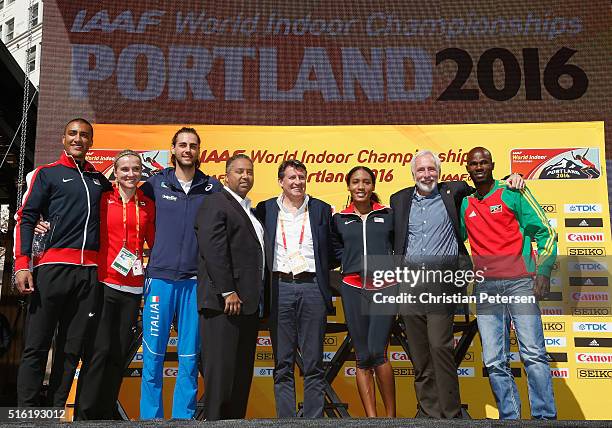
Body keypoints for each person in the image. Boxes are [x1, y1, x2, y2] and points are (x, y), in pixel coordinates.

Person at [390, 150, 524, 418]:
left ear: (439, 173)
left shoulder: (455, 191)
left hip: (442, 283)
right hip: (410, 283)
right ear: (412, 174)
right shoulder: (400, 199)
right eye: (421, 170)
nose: (426, 175)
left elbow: (485, 183)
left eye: (431, 169)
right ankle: (429, 412)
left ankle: (451, 414)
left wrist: (515, 177)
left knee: (440, 346)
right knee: (418, 352)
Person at [13, 118, 112, 407]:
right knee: (36, 345)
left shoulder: (99, 181)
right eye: (72, 134)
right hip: (51, 270)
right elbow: (25, 218)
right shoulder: (48, 174)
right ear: (63, 139)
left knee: (70, 349)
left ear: (91, 143)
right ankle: (26, 415)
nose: (78, 139)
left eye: (84, 135)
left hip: (88, 275)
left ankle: (54, 413)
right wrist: (22, 265)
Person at [460, 147, 557, 420]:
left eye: (483, 162)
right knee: (493, 360)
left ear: (492, 165)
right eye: (473, 163)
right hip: (486, 287)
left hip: (520, 284)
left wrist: (544, 271)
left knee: (534, 354)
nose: (479, 167)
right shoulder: (466, 204)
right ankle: (510, 417)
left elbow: (546, 232)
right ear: (467, 168)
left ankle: (544, 417)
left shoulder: (513, 191)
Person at [139, 127, 222, 419]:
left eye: (193, 145)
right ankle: (150, 419)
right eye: (182, 145)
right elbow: (124, 213)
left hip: (194, 283)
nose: (188, 149)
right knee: (153, 356)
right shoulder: (153, 184)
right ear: (172, 149)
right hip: (159, 280)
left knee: (188, 358)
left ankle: (182, 419)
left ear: (199, 151)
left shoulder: (212, 187)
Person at [74, 150, 155, 419]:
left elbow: (154, 243)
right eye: (125, 170)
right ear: (115, 173)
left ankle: (105, 412)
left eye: (135, 169)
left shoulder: (147, 204)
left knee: (119, 352)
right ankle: (85, 414)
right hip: (104, 282)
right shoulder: (103, 198)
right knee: (99, 350)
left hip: (133, 288)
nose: (131, 174)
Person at [255, 160, 334, 418]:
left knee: (313, 361)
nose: (297, 182)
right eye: (291, 177)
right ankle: (286, 421)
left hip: (312, 286)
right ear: (281, 181)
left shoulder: (321, 209)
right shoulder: (265, 209)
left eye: (301, 176)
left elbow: (332, 250)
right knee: (283, 362)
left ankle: (313, 419)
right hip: (279, 287)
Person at [195, 154, 265, 420]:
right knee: (221, 378)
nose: (245, 176)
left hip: (246, 306)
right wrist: (227, 290)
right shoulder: (215, 202)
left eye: (249, 172)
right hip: (223, 304)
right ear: (226, 175)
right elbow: (213, 251)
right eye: (239, 171)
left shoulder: (248, 208)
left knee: (239, 378)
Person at [330, 166, 396, 417]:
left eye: (366, 182)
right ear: (348, 186)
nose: (361, 187)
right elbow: (334, 247)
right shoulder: (339, 218)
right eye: (356, 182)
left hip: (384, 286)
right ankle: (371, 419)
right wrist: (348, 262)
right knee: (362, 355)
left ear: (373, 186)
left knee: (378, 352)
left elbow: (399, 243)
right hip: (353, 287)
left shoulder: (388, 214)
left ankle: (391, 418)